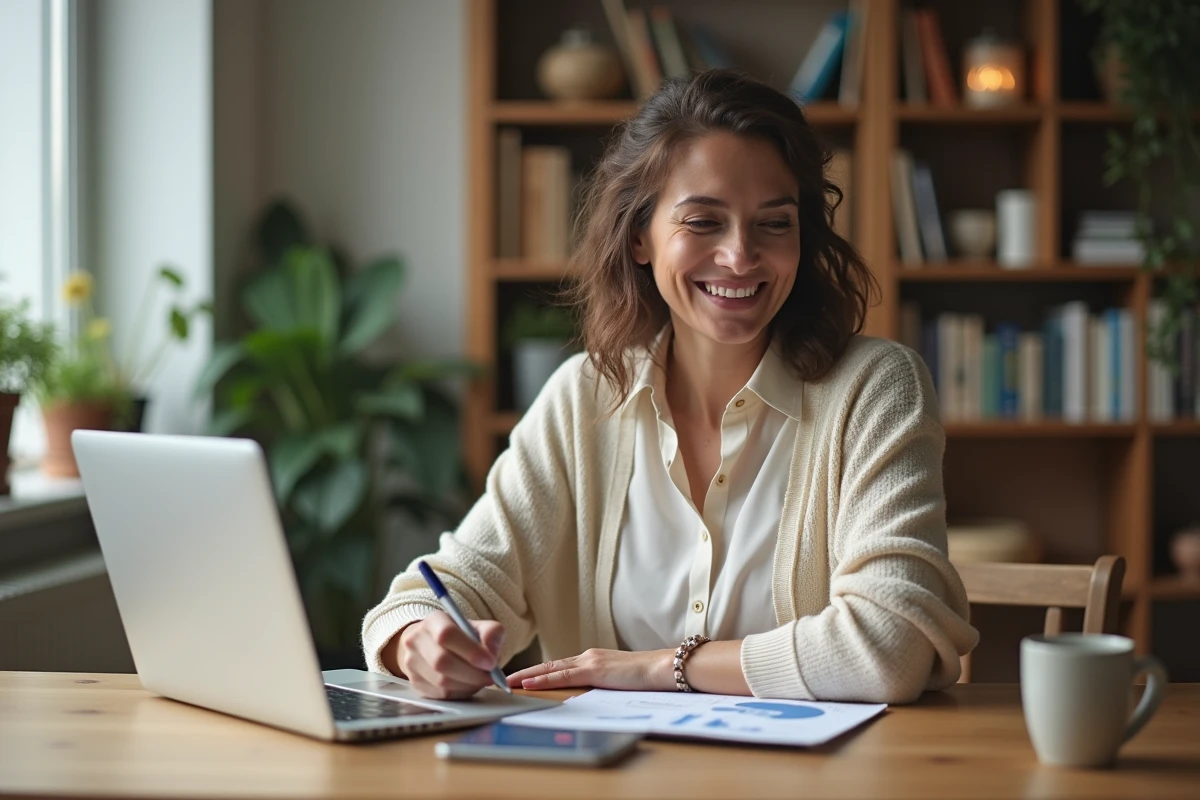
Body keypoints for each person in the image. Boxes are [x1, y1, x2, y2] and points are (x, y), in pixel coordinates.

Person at [362, 69, 978, 704]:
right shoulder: (583, 398)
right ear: (639, 238)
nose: (741, 256)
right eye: (704, 221)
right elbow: (436, 590)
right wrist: (417, 640)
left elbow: (891, 644)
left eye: (775, 224)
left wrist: (660, 667)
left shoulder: (875, 390)